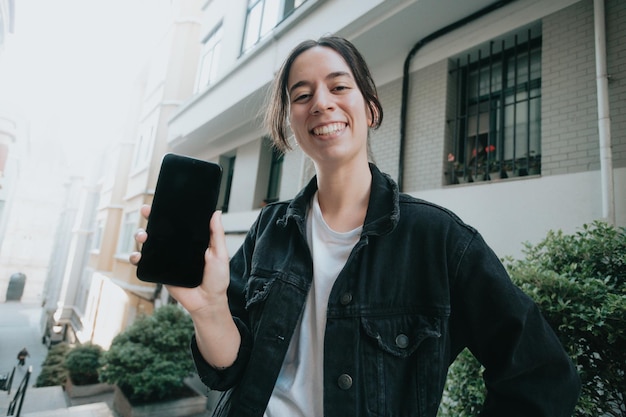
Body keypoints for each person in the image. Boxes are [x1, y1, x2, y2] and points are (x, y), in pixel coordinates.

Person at [131, 36, 580, 417]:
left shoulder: (438, 239)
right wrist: (208, 308)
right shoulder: (270, 228)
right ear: (291, 121)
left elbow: (541, 374)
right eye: (302, 95)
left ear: (370, 109)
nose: (321, 103)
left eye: (338, 86)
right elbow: (229, 369)